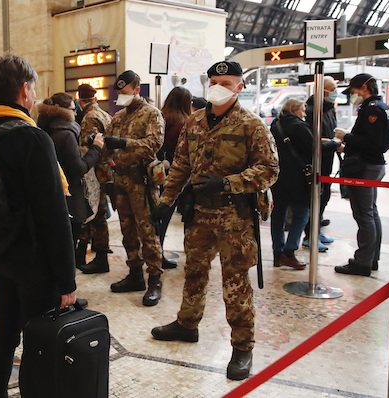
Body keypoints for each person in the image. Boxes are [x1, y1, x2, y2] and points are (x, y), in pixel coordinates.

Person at [150, 61, 279, 381]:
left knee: (235, 284)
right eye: (214, 80)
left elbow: (269, 170)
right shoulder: (194, 122)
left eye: (226, 81)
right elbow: (180, 164)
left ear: (239, 87)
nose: (218, 86)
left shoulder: (251, 124)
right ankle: (187, 324)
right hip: (200, 215)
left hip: (235, 217)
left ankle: (243, 346)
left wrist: (227, 183)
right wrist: (166, 201)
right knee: (193, 273)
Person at [0, 54, 77, 397]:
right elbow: (53, 215)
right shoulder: (33, 139)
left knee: (5, 332)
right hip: (34, 260)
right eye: (33, 86)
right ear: (24, 89)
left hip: (0, 251)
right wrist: (67, 278)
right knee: (38, 341)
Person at [104, 70, 166, 307]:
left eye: (125, 92)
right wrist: (98, 143)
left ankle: (155, 279)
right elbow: (107, 145)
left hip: (142, 182)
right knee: (127, 230)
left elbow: (153, 145)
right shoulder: (118, 117)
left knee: (147, 232)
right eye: (118, 93)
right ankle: (135, 274)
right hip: (120, 181)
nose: (121, 96)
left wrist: (124, 143)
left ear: (137, 90)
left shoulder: (152, 114)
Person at [333, 73, 389, 276]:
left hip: (365, 167)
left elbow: (371, 142)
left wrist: (347, 137)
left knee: (364, 214)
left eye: (352, 91)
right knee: (371, 212)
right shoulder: (384, 108)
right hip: (373, 165)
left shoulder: (372, 110)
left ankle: (363, 262)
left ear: (363, 88)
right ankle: (371, 258)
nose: (352, 96)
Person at [36, 92, 104, 271]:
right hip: (69, 200)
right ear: (64, 112)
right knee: (67, 252)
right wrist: (96, 149)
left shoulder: (44, 129)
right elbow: (78, 168)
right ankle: (67, 296)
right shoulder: (66, 134)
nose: (76, 113)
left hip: (51, 198)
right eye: (74, 110)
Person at [269, 98, 313, 270]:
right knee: (302, 213)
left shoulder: (275, 125)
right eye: (302, 110)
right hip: (298, 178)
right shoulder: (299, 126)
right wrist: (334, 144)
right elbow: (313, 148)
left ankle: (277, 252)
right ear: (295, 110)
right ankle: (289, 251)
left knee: (278, 214)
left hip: (279, 176)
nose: (304, 113)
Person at [76, 84, 113, 274]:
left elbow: (86, 150)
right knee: (100, 214)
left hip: (96, 171)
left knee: (97, 216)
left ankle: (101, 258)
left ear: (79, 98)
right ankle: (99, 255)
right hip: (106, 169)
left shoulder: (88, 118)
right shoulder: (104, 114)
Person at [155, 86, 193, 270]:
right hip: (175, 175)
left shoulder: (160, 117)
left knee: (157, 216)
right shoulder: (184, 124)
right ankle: (158, 254)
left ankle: (155, 251)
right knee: (167, 217)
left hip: (157, 173)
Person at [302, 76, 340, 250]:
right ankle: (310, 235)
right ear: (321, 90)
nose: (334, 93)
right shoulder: (311, 110)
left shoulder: (330, 109)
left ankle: (317, 230)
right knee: (314, 197)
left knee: (324, 196)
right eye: (331, 89)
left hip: (328, 159)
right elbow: (312, 140)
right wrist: (331, 143)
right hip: (315, 161)